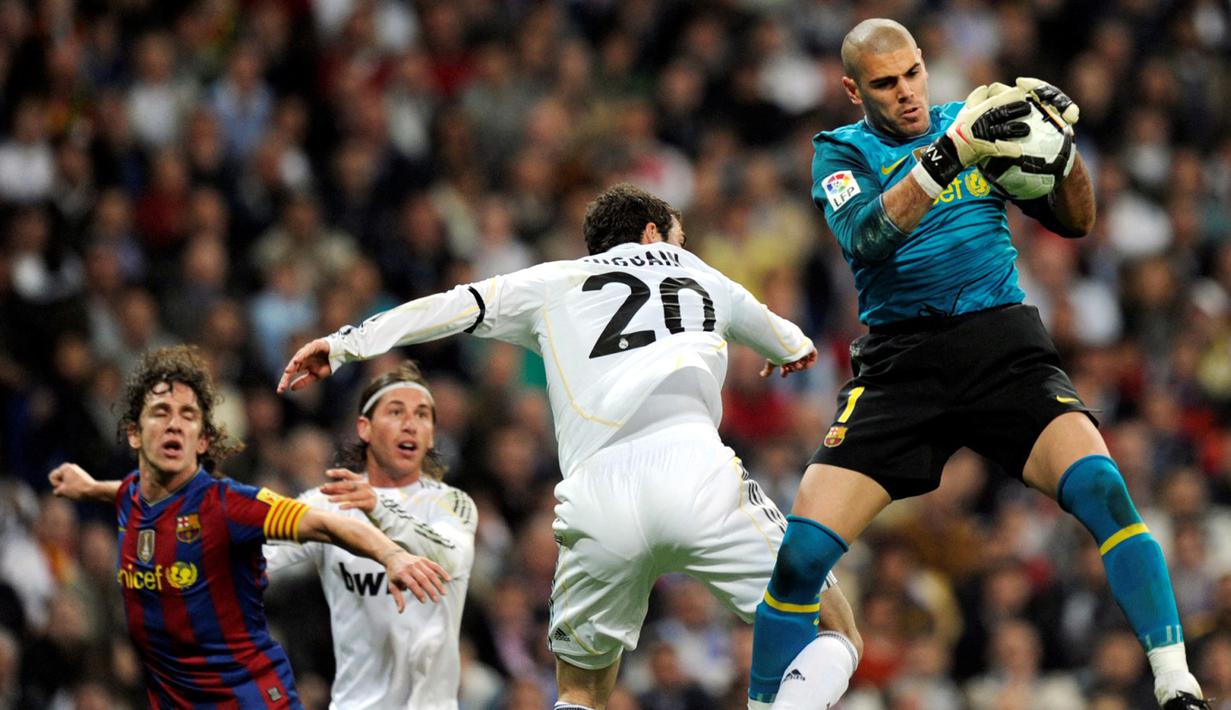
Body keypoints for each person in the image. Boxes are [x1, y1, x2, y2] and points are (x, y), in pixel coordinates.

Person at [747, 17, 1209, 710]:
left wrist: (1059, 150)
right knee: (802, 556)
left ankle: (1176, 682)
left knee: (1104, 491)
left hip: (1000, 345)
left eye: (911, 74)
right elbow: (868, 237)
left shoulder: (978, 120)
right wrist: (948, 152)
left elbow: (1076, 220)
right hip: (900, 363)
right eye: (883, 83)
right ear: (851, 89)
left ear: (924, 65)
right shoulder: (839, 152)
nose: (904, 93)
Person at [278, 183, 863, 710]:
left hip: (596, 495)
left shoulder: (553, 281)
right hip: (697, 474)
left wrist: (346, 343)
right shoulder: (705, 274)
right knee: (835, 631)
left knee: (581, 691)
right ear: (655, 233)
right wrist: (788, 351)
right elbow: (794, 342)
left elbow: (451, 306)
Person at [47, 345, 449, 708]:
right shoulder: (132, 495)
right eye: (160, 413)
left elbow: (324, 524)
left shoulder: (228, 505)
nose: (175, 425)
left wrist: (391, 554)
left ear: (202, 441)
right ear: (134, 434)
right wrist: (88, 487)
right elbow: (129, 492)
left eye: (188, 416)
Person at [263, 360, 477, 709]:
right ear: (364, 427)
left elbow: (451, 555)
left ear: (432, 434)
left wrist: (379, 509)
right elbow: (260, 562)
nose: (410, 424)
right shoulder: (328, 502)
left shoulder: (452, 503)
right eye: (395, 412)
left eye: (422, 415)